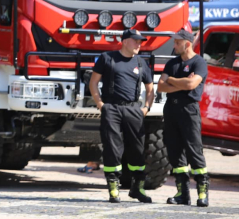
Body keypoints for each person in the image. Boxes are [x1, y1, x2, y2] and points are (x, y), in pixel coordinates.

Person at [88, 28, 155, 204]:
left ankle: (137, 189)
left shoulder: (141, 62)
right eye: (135, 41)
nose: (139, 44)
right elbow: (93, 82)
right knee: (112, 148)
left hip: (134, 110)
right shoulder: (107, 58)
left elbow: (150, 89)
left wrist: (146, 108)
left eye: (141, 41)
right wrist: (101, 104)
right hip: (112, 109)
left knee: (137, 150)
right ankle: (113, 188)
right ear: (124, 41)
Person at [158, 29, 210, 207]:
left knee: (194, 151)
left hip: (189, 110)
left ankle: (202, 193)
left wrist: (171, 81)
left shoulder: (199, 63)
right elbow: (161, 87)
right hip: (171, 110)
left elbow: (192, 84)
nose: (174, 45)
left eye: (177, 42)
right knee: (175, 152)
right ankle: (182, 193)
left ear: (187, 43)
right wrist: (179, 82)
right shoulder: (172, 63)